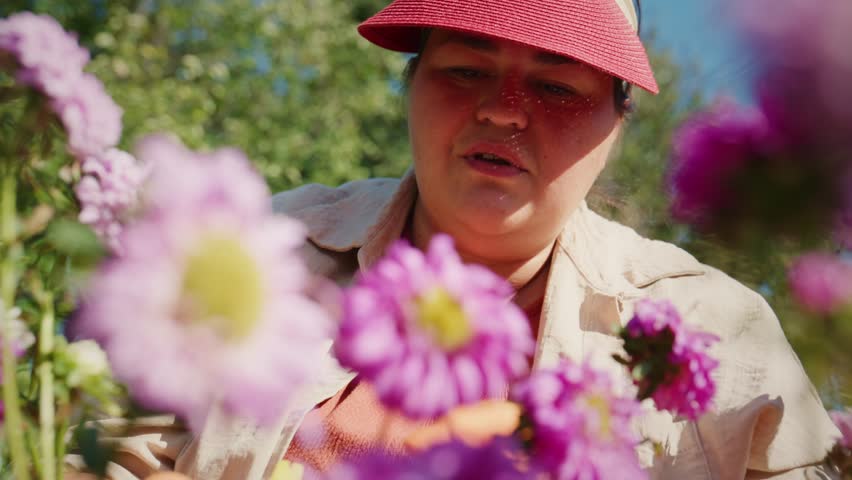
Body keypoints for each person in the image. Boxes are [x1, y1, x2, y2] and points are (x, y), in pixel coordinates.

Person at [66, 0, 841, 478]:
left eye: (555, 85)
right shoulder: (262, 249)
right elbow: (100, 452)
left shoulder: (719, 331)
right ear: (411, 85)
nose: (504, 111)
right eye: (467, 68)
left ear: (616, 128)